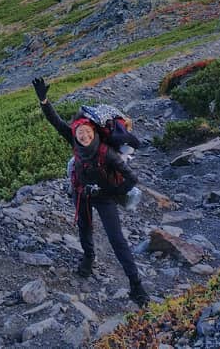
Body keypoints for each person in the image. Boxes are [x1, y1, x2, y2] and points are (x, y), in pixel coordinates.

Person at [31, 78, 150, 307]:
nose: (83, 136)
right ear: (75, 133)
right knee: (84, 227)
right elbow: (56, 121)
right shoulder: (74, 141)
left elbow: (132, 178)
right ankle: (88, 257)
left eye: (86, 132)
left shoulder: (107, 153)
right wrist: (44, 101)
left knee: (117, 239)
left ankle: (136, 284)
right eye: (79, 133)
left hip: (104, 198)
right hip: (81, 192)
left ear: (93, 131)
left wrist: (113, 191)